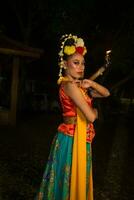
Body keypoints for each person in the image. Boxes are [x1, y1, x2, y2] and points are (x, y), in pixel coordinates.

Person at [36, 34, 110, 200]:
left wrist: (91, 83)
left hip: (79, 136)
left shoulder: (78, 85)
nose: (81, 67)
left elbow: (106, 93)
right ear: (64, 64)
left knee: (74, 179)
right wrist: (96, 112)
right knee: (67, 181)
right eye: (76, 63)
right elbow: (91, 117)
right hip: (71, 138)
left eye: (83, 63)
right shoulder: (69, 86)